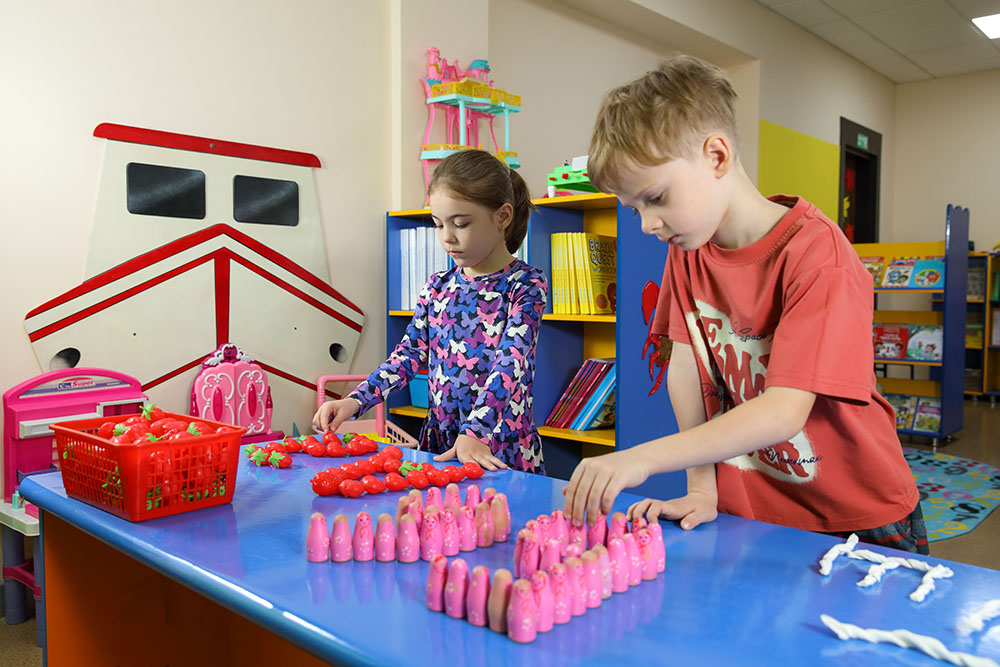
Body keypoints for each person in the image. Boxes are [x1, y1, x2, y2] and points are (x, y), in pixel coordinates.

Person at [562, 54, 927, 554]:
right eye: (634, 208)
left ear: (716, 156)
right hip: (758, 511)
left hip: (856, 515)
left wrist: (641, 458)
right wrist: (701, 487)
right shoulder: (687, 250)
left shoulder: (818, 256)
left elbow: (783, 411)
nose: (647, 224)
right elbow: (686, 371)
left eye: (656, 198)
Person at [313, 149, 548, 473]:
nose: (447, 238)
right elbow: (408, 356)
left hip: (498, 444)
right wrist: (354, 401)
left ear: (503, 216)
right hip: (441, 443)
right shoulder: (437, 286)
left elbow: (511, 364)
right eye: (438, 225)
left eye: (461, 224)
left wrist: (475, 433)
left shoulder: (525, 284)